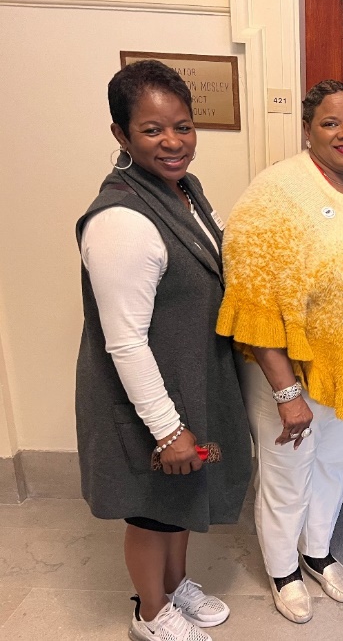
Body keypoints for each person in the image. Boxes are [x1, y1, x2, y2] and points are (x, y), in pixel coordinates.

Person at [216, 80, 343, 623]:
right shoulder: (276, 191)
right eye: (330, 123)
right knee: (288, 470)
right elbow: (253, 302)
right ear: (308, 131)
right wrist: (287, 393)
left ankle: (315, 550)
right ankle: (283, 569)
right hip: (295, 371)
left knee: (336, 462)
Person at [75, 59, 251, 641]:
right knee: (152, 508)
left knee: (180, 497)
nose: (173, 142)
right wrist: (167, 428)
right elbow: (124, 341)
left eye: (183, 126)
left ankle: (175, 586)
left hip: (187, 377)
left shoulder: (183, 191)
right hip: (149, 397)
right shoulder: (120, 221)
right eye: (152, 130)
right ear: (121, 135)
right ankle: (150, 613)